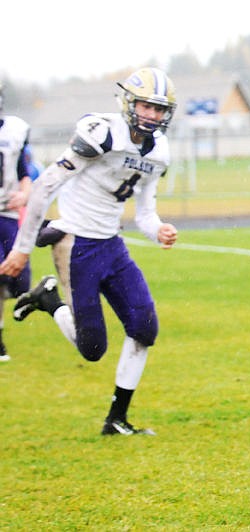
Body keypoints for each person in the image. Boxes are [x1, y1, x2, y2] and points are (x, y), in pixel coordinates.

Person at [0, 67, 179, 435]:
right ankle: (50, 301)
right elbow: (44, 187)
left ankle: (116, 419)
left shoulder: (159, 151)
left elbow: (144, 212)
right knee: (92, 348)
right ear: (129, 103)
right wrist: (21, 250)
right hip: (77, 245)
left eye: (159, 109)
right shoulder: (102, 133)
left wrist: (157, 229)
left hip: (113, 245)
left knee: (145, 328)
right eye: (146, 106)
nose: (152, 115)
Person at [0, 83, 33, 362]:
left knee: (21, 282)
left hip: (8, 211)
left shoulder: (14, 130)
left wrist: (24, 193)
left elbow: (24, 171)